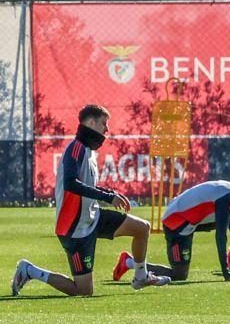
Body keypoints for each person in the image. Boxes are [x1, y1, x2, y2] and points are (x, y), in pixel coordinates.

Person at [11, 104, 169, 296]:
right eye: (104, 123)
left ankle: (141, 276)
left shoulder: (88, 152)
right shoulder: (76, 149)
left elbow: (87, 186)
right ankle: (30, 271)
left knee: (142, 228)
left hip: (93, 217)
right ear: (91, 122)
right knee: (83, 291)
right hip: (75, 228)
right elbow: (71, 184)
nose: (107, 130)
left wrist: (111, 194)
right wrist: (108, 197)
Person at [111, 166, 230, 282]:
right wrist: (225, 270)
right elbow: (220, 235)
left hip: (194, 220)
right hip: (176, 224)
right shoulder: (227, 198)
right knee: (179, 275)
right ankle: (129, 262)